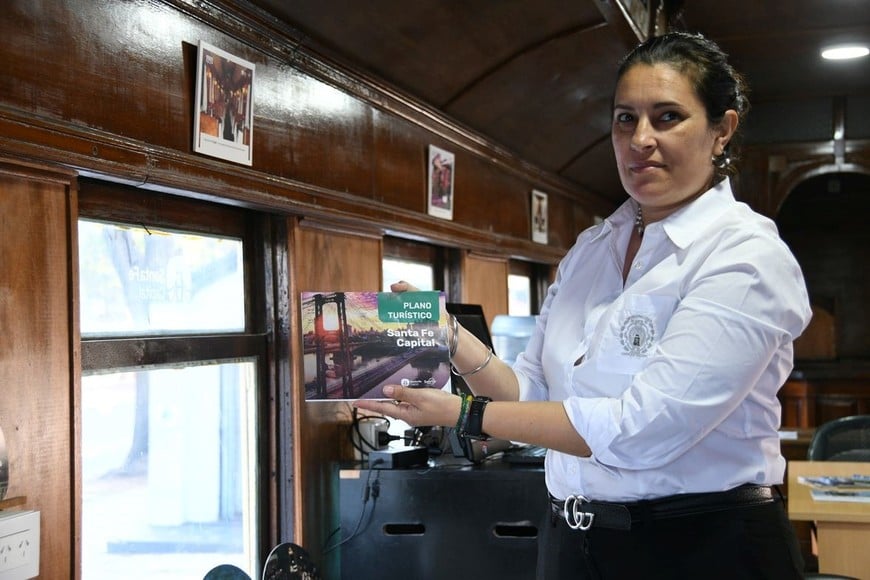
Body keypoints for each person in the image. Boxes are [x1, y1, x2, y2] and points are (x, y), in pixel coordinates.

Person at [355, 31, 811, 579]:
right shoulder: (592, 250)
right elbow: (531, 397)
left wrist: (461, 413)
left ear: (722, 131)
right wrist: (451, 341)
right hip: (571, 543)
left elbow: (641, 431)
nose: (640, 138)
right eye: (626, 119)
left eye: (667, 117)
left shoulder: (746, 256)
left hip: (699, 548)